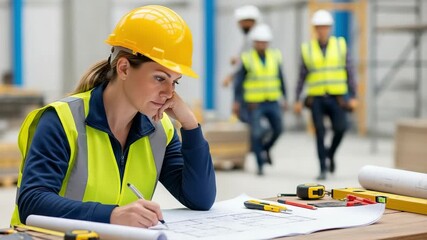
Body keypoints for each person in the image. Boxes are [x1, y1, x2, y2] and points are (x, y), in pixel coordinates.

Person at [10, 5, 216, 228]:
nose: (169, 93)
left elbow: (200, 199)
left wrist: (190, 125)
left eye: (174, 81)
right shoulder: (61, 120)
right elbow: (32, 202)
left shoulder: (159, 130)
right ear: (124, 68)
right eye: (159, 78)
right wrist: (111, 215)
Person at [293, 9, 357, 180]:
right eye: (319, 27)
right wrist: (297, 99)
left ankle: (330, 153)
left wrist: (353, 96)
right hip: (316, 99)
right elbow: (302, 75)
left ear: (330, 28)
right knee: (319, 132)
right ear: (315, 29)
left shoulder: (340, 45)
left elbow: (350, 71)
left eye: (325, 27)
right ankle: (322, 168)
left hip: (337, 97)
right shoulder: (308, 49)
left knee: (341, 128)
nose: (322, 30)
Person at [233, 24, 287, 176]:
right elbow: (239, 83)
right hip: (254, 103)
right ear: (254, 42)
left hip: (272, 100)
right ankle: (260, 164)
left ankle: (266, 148)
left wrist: (285, 97)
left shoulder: (275, 56)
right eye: (259, 42)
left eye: (264, 42)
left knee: (278, 129)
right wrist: (237, 101)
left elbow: (281, 78)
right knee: (256, 134)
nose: (262, 44)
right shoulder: (247, 58)